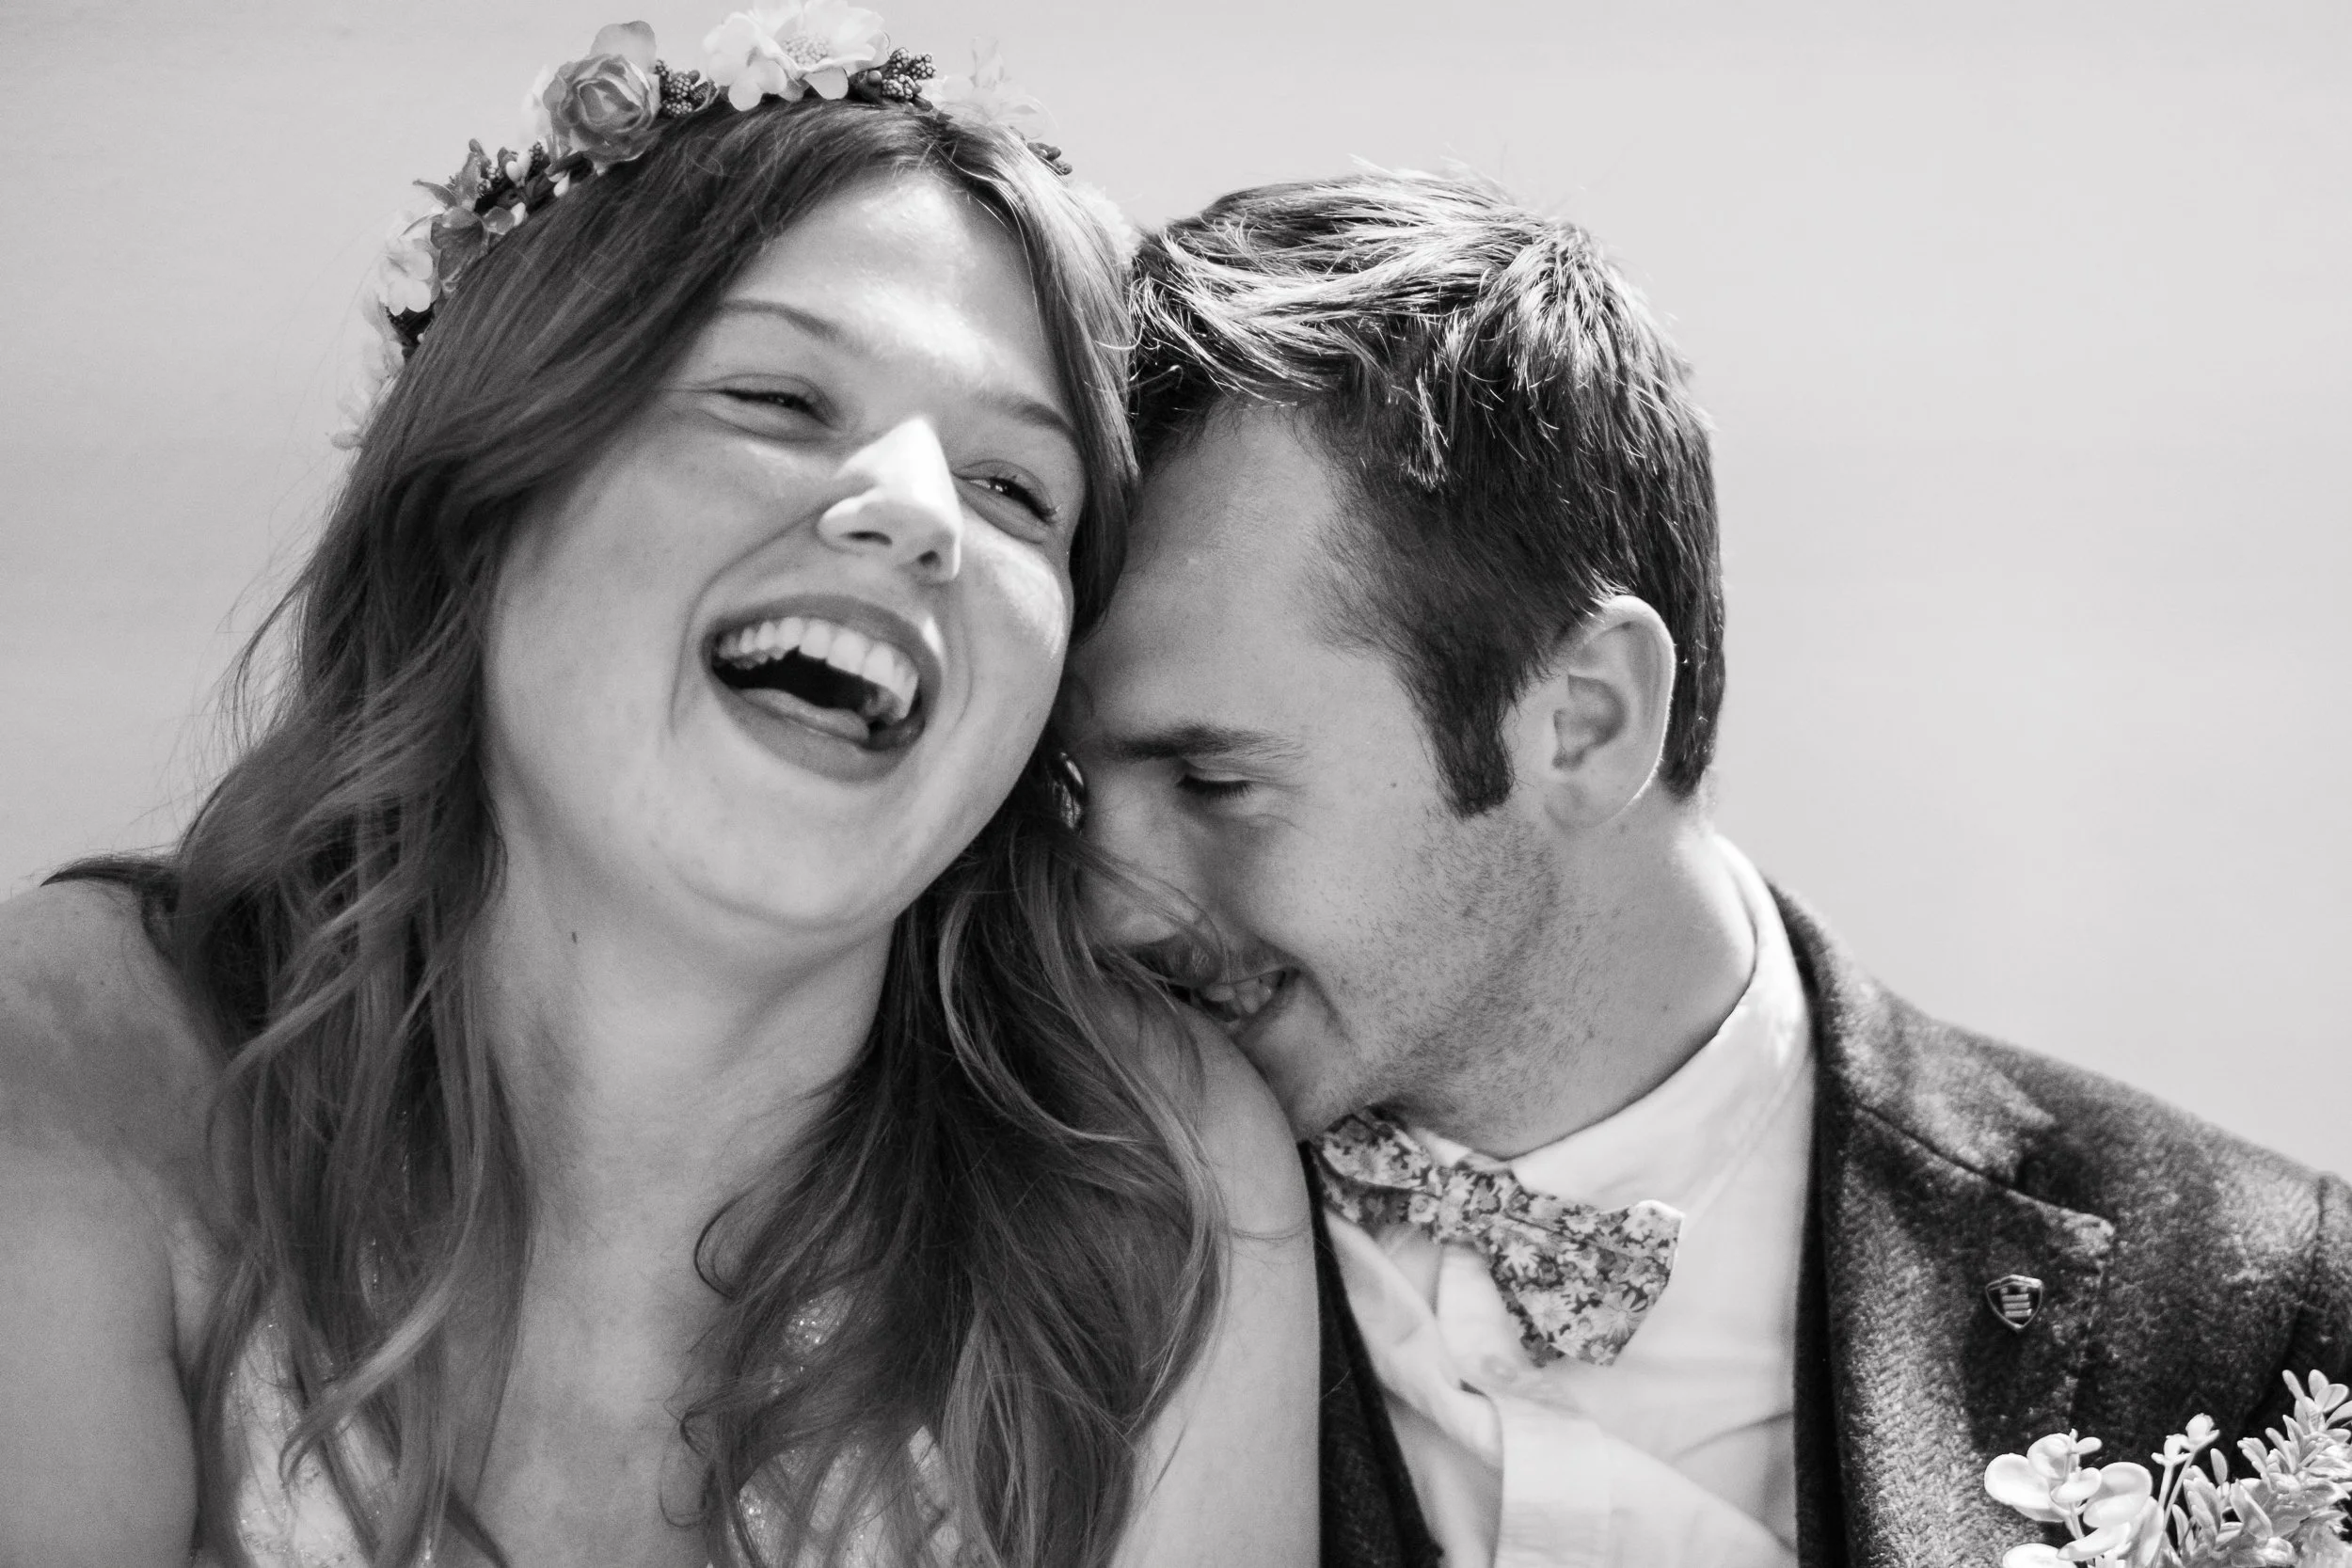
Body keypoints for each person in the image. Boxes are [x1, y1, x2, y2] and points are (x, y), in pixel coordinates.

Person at [0, 16, 1317, 1567]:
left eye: (1017, 488)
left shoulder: (1146, 1180)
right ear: (487, 495)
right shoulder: (78, 1056)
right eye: (776, 400)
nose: (914, 513)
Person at [1065, 169, 2352, 1568]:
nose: (1098, 895)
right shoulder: (1036, 1262)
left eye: (1213, 781)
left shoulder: (2269, 1308)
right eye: (1067, 789)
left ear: (1589, 717)